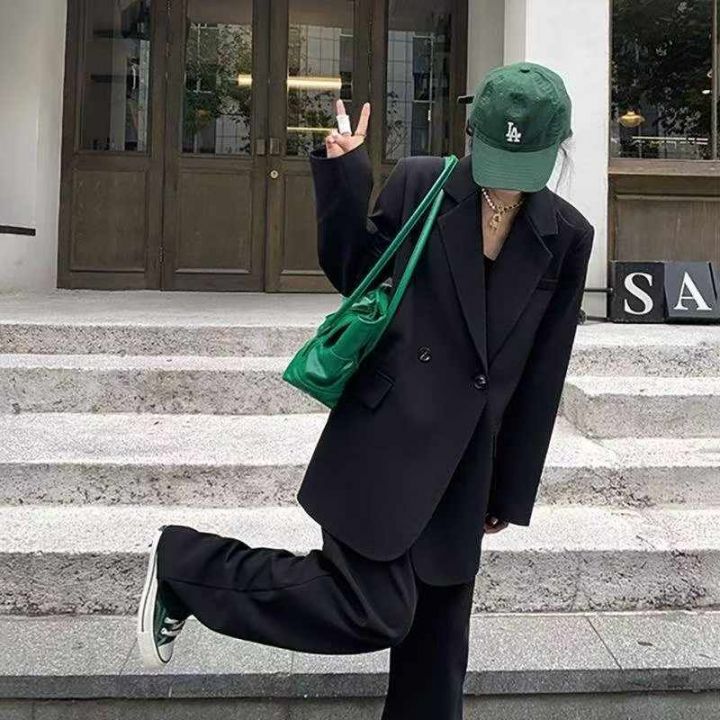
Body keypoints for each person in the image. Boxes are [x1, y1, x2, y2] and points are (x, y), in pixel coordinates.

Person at [136, 61, 594, 719]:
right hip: (387, 436)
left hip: (467, 463)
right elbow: (354, 270)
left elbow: (543, 373)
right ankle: (187, 565)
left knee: (437, 656)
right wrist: (345, 175)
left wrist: (509, 488)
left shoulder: (567, 235)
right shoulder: (422, 183)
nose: (506, 176)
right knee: (371, 609)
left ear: (556, 147)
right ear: (474, 133)